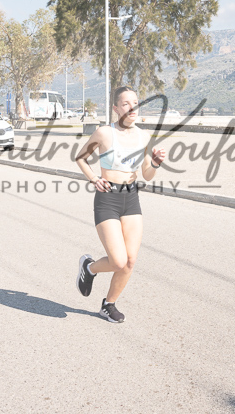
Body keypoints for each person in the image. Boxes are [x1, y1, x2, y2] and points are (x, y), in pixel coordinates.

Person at [74, 86, 166, 323]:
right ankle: (89, 268)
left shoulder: (144, 136)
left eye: (135, 102)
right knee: (117, 261)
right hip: (107, 198)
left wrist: (155, 163)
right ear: (116, 108)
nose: (132, 107)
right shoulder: (104, 133)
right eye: (126, 103)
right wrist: (94, 178)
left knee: (130, 261)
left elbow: (147, 174)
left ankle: (109, 304)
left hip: (131, 198)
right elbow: (80, 158)